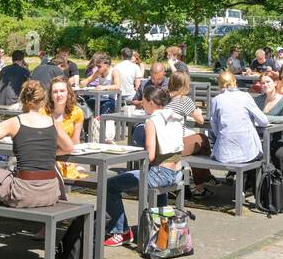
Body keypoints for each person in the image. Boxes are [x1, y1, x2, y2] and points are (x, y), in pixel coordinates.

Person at [103, 87, 185, 247]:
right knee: (148, 179)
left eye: (144, 102)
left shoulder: (151, 121)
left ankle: (121, 231)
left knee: (110, 185)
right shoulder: (175, 116)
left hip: (160, 173)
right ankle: (161, 228)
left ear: (152, 102)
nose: (142, 105)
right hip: (177, 172)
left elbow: (151, 155)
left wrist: (130, 153)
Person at [0, 80, 72, 209]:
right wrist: (50, 153)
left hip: (23, 193)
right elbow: (69, 147)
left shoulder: (14, 122)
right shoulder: (53, 123)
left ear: (22, 99)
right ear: (44, 100)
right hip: (51, 192)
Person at [208, 71, 270, 192]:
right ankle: (254, 189)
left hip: (223, 154)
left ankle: (233, 176)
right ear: (235, 82)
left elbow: (214, 127)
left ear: (219, 85)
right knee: (258, 151)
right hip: (247, 153)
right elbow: (264, 121)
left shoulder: (216, 99)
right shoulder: (245, 96)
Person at [46, 76, 88, 180]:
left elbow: (75, 141)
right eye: (55, 92)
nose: (59, 95)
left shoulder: (77, 112)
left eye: (62, 91)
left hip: (67, 154)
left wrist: (74, 162)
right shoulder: (43, 113)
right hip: (46, 156)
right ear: (50, 95)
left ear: (68, 93)